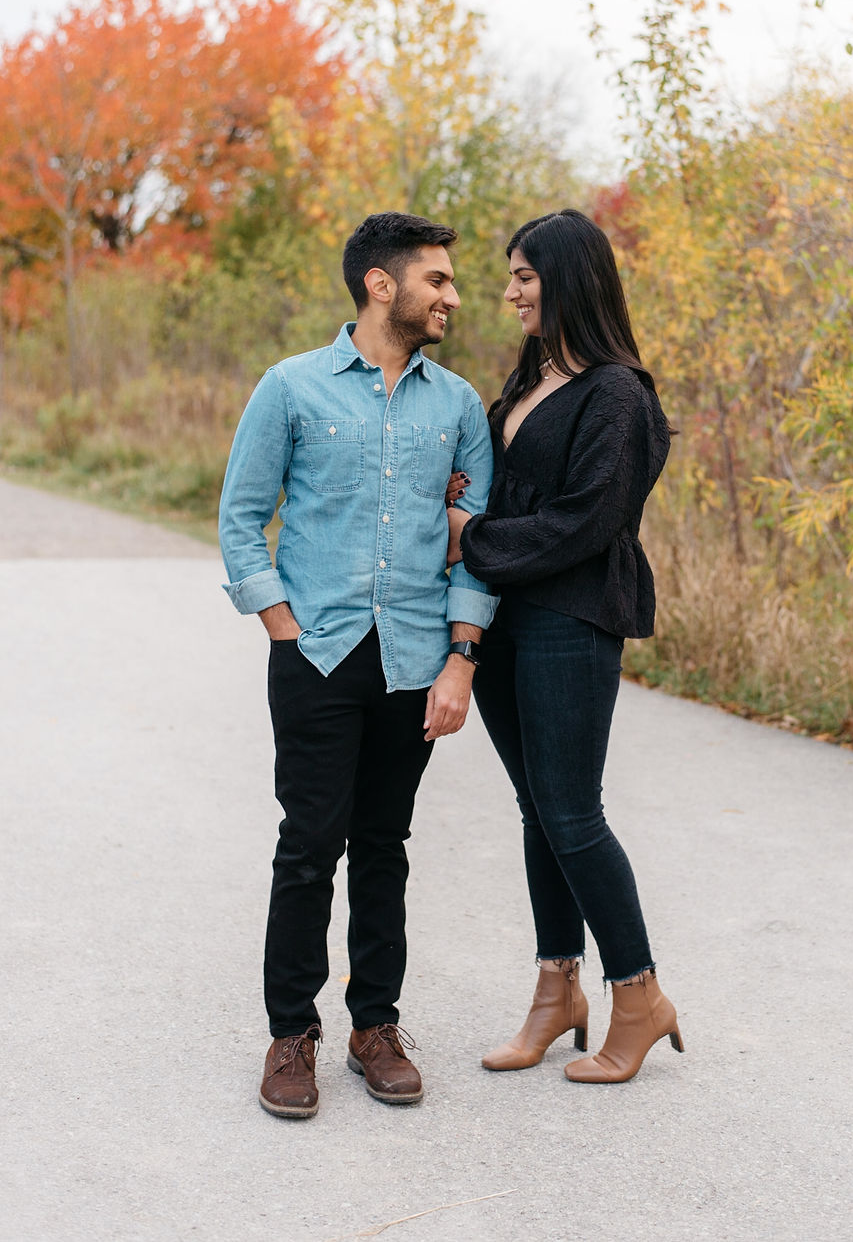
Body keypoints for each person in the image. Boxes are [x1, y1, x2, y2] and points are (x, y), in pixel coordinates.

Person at [219, 211, 496, 1116]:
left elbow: (472, 549)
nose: (453, 296)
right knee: (308, 848)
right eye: (438, 281)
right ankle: (290, 1034)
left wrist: (460, 662)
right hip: (319, 656)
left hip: (414, 662)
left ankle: (374, 1026)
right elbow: (241, 519)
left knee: (385, 847)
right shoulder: (292, 389)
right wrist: (283, 630)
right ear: (383, 285)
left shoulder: (456, 405)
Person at [445, 208, 681, 1084]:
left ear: (569, 280)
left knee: (574, 815)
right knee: (538, 812)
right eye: (509, 276)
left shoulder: (620, 394)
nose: (507, 293)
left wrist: (471, 538)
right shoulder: (532, 378)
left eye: (523, 277)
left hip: (571, 619)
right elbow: (511, 494)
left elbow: (590, 522)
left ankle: (640, 994)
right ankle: (557, 994)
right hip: (509, 617)